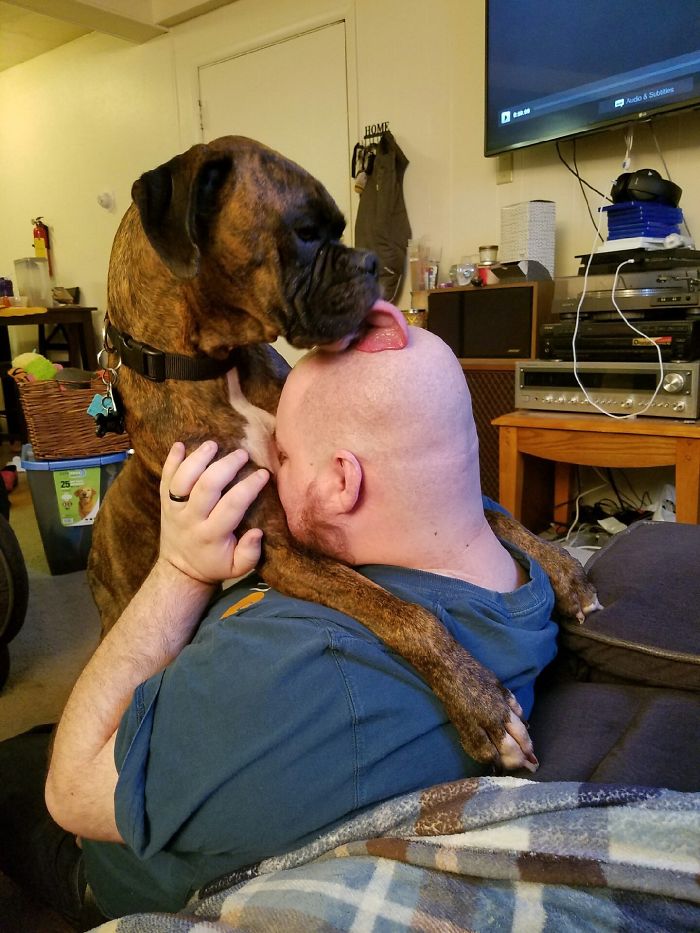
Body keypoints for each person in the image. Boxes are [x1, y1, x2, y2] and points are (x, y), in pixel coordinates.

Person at [1, 324, 557, 927]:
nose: (265, 471)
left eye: (283, 455)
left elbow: (71, 794)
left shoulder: (307, 671)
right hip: (177, 734)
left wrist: (179, 569)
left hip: (117, 849)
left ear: (343, 481)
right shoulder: (517, 569)